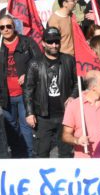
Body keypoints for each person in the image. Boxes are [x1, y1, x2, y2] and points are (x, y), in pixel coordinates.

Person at [0, 15, 39, 157]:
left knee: (25, 125)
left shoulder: (26, 42)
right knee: (11, 126)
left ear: (14, 26)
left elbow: (39, 62)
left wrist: (28, 74)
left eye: (9, 26)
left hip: (24, 94)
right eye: (2, 27)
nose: (6, 29)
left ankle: (29, 154)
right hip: (5, 94)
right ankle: (17, 154)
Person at [23, 27, 77, 158]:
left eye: (57, 42)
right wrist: (30, 113)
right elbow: (28, 89)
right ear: (43, 43)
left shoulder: (68, 60)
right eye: (50, 42)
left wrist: (72, 96)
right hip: (43, 116)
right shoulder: (34, 64)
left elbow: (78, 83)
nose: (54, 45)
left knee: (66, 153)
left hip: (65, 116)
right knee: (42, 152)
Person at [61, 70, 100, 158]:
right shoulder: (74, 105)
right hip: (85, 160)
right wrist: (77, 140)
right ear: (94, 87)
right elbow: (65, 135)